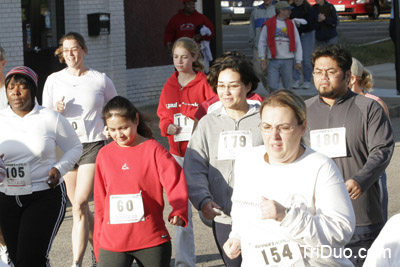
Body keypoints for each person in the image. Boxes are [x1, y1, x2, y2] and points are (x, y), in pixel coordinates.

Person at [223, 90, 355, 266]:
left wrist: (287, 216)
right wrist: (237, 236)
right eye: (267, 127)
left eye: (284, 128)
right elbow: (241, 208)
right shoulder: (246, 160)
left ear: (302, 128)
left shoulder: (320, 166)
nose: (274, 136)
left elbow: (340, 231)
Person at [305, 45, 394, 267]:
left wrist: (360, 180)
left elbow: (382, 149)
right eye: (318, 71)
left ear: (347, 75)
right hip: (317, 218)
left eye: (330, 72)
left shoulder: (368, 108)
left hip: (360, 216)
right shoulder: (302, 111)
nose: (323, 77)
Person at [42, 32, 118, 267]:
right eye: (65, 50)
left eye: (74, 49)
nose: (70, 54)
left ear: (84, 50)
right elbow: (44, 116)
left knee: (81, 203)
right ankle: (100, 250)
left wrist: (109, 127)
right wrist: (57, 111)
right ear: (61, 54)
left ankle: (76, 262)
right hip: (66, 147)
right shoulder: (53, 80)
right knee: (79, 208)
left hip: (92, 145)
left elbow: (116, 107)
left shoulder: (99, 79)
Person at [183, 52, 263, 267]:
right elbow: (194, 166)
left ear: (247, 86)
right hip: (224, 217)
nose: (225, 92)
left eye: (233, 85)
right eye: (221, 85)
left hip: (263, 216)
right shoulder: (208, 123)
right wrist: (202, 199)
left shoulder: (265, 119)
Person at [0, 66, 82, 266]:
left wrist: (59, 168)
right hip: (6, 197)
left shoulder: (50, 118)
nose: (16, 93)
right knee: (15, 258)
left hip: (43, 195)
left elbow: (75, 147)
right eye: (11, 87)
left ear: (33, 90)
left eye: (22, 87)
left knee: (31, 259)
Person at [94, 96, 188, 267]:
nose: (119, 134)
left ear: (136, 120)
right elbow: (100, 202)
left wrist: (179, 209)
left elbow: (175, 182)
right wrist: (98, 241)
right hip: (113, 241)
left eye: (124, 128)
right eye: (113, 130)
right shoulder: (104, 154)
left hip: (150, 238)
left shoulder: (154, 150)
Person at [156, 37, 214, 267]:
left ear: (194, 57)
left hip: (201, 155)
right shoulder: (169, 85)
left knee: (211, 209)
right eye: (175, 57)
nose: (179, 61)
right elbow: (163, 115)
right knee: (180, 210)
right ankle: (183, 262)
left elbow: (214, 109)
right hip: (176, 155)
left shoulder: (204, 84)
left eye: (184, 57)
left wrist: (198, 120)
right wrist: (166, 127)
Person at [350, 57, 390, 222]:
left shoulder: (374, 104)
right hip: (345, 173)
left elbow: (382, 145)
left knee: (374, 221)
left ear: (351, 78)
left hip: (371, 175)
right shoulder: (336, 105)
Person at [258, 1, 302, 92]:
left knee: (288, 87)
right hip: (273, 60)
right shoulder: (268, 24)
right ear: (281, 11)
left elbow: (297, 42)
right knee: (272, 86)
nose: (290, 12)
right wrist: (262, 58)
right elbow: (262, 42)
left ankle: (288, 103)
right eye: (287, 10)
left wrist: (298, 60)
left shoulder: (291, 24)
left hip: (288, 60)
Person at [248, 0, 276, 91]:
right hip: (258, 46)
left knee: (270, 70)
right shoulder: (256, 11)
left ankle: (271, 90)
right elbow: (252, 27)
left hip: (272, 46)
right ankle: (269, 89)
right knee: (258, 70)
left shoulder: (276, 10)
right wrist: (252, 40)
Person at [290, 0, 318, 89]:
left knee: (306, 59)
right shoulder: (291, 9)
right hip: (294, 35)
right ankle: (296, 80)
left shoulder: (309, 9)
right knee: (295, 58)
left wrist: (301, 26)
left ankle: (307, 80)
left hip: (307, 34)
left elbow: (312, 24)